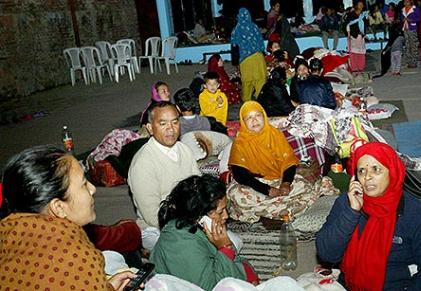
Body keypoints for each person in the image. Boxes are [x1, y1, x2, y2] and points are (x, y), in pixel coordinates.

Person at [0, 145, 137, 290]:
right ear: (58, 207)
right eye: (84, 184)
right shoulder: (75, 258)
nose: (93, 189)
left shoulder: (10, 231)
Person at [316, 142, 421, 290]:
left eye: (376, 169)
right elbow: (327, 254)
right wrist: (351, 212)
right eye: (361, 171)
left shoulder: (415, 216)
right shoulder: (346, 203)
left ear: (391, 172)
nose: (367, 177)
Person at [227, 101, 334, 223]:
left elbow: (288, 161)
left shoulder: (275, 134)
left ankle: (269, 209)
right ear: (243, 122)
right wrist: (267, 190)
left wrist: (286, 183)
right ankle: (285, 207)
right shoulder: (240, 142)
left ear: (264, 116)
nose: (254, 120)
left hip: (279, 178)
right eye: (249, 118)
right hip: (255, 183)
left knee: (304, 186)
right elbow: (240, 175)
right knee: (236, 195)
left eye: (258, 115)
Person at [151, 175, 259, 290]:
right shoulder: (179, 243)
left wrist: (250, 278)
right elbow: (210, 287)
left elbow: (235, 261)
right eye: (220, 211)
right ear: (200, 216)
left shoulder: (201, 229)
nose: (226, 216)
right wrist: (225, 248)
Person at [128, 101, 201, 250]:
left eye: (175, 122)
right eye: (163, 124)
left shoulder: (184, 149)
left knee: (233, 242)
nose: (171, 129)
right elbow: (153, 216)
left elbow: (199, 188)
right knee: (189, 250)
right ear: (150, 128)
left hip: (189, 219)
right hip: (156, 228)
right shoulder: (142, 163)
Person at [231, 8, 268, 102]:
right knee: (260, 80)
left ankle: (246, 101)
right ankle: (261, 99)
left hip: (245, 60)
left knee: (247, 82)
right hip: (258, 57)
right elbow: (260, 42)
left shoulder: (236, 30)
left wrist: (235, 63)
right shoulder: (254, 27)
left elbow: (234, 48)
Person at [345, 1, 368, 72]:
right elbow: (347, 24)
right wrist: (348, 34)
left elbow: (365, 25)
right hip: (353, 36)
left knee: (361, 52)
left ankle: (361, 67)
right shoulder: (351, 14)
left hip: (361, 36)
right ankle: (354, 67)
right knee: (354, 53)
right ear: (356, 6)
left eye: (362, 5)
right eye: (359, 5)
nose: (361, 6)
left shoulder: (363, 15)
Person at [401, 0, 421, 68]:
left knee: (414, 45)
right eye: (404, 2)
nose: (406, 3)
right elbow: (401, 17)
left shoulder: (415, 9)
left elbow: (419, 18)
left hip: (412, 28)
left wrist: (411, 20)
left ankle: (414, 62)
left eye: (407, 1)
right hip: (405, 28)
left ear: (411, 2)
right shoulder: (403, 9)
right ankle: (409, 62)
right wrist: (403, 19)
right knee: (407, 45)